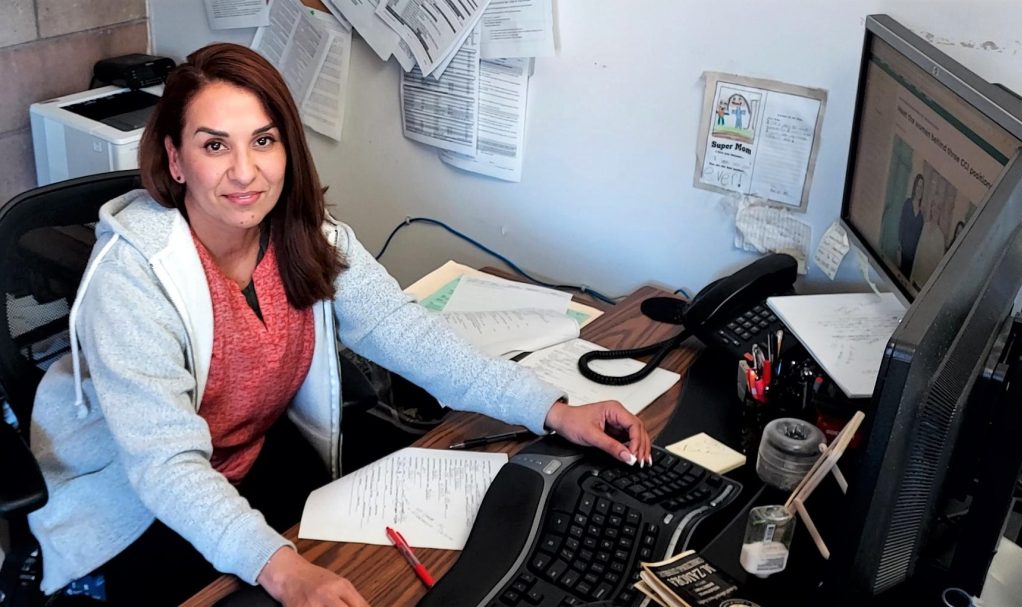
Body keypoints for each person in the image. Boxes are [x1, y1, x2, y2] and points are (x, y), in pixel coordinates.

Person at [27, 43, 652, 607]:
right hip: (138, 505)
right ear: (176, 159)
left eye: (263, 141)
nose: (245, 172)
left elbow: (410, 336)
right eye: (215, 145)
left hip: (253, 458)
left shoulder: (307, 238)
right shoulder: (134, 276)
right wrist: (280, 567)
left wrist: (552, 409)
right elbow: (163, 467)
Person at [897, 173, 925, 277]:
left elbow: (918, 240)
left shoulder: (921, 217)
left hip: (912, 259)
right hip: (902, 253)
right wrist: (899, 250)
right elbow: (901, 227)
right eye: (918, 186)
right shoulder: (907, 204)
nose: (919, 189)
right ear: (914, 187)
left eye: (922, 187)